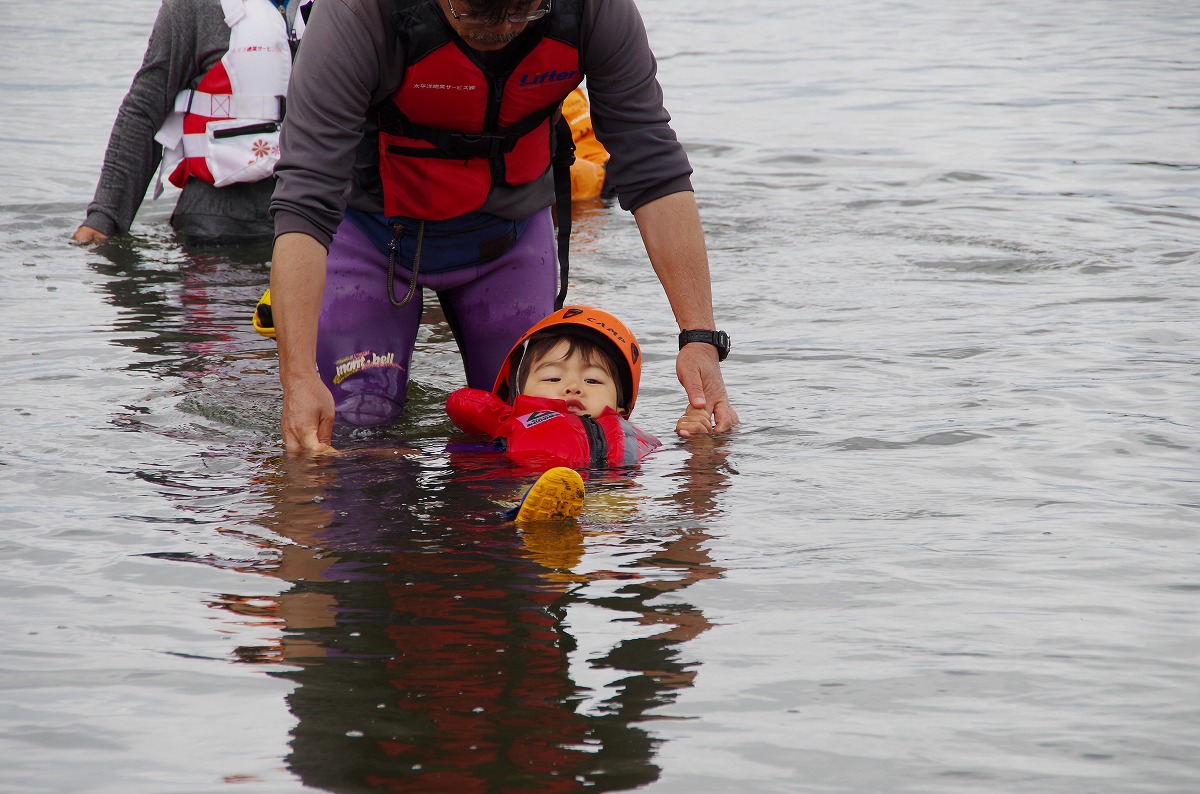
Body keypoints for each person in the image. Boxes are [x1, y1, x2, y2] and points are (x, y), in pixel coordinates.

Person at [268, 0, 739, 455]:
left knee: (542, 428)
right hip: (369, 237)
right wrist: (298, 379)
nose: (497, 32)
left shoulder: (595, 8)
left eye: (521, 12)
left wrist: (699, 338)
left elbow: (653, 167)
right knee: (352, 429)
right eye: (471, 12)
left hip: (507, 240)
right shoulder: (360, 10)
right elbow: (304, 201)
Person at [71, 0, 309, 245]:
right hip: (212, 229)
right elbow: (144, 110)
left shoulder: (340, 8)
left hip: (323, 225)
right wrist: (105, 216)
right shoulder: (193, 5)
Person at [446, 305, 664, 470]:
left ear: (621, 409)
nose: (573, 387)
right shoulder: (508, 435)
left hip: (609, 498)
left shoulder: (639, 441)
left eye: (592, 380)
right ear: (518, 396)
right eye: (552, 378)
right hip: (525, 492)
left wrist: (695, 434)